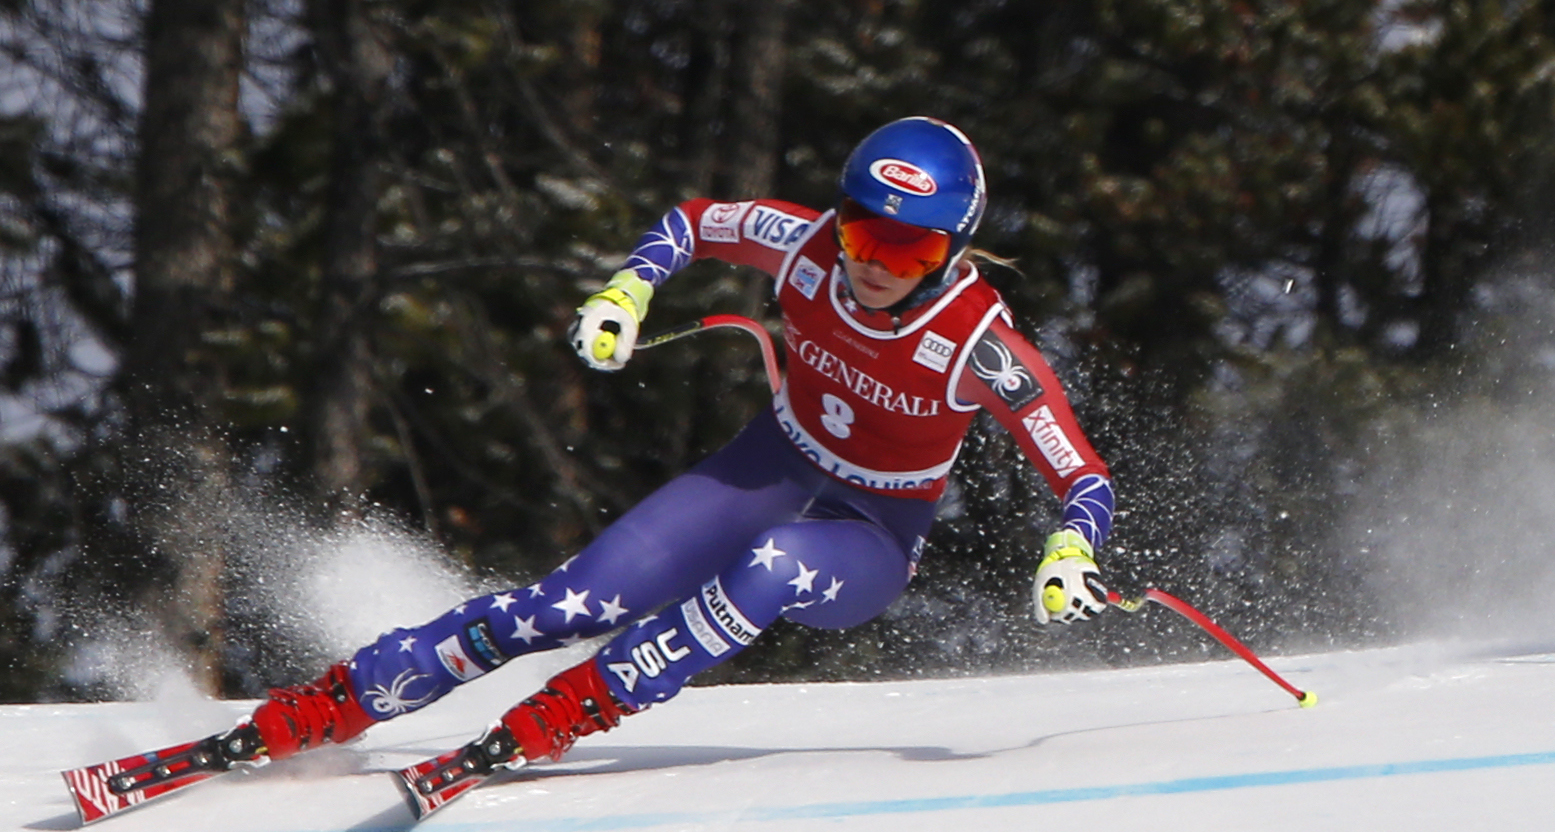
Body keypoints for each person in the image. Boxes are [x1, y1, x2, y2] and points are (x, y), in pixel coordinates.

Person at [203, 117, 1115, 778]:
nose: (874, 262)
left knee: (776, 565)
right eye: (863, 231)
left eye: (909, 250)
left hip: (870, 530)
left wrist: (1071, 548)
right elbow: (691, 223)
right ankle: (341, 699)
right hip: (773, 461)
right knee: (570, 599)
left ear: (951, 254)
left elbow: (1079, 473)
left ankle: (575, 707)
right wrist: (626, 292)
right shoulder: (803, 249)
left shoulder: (977, 345)